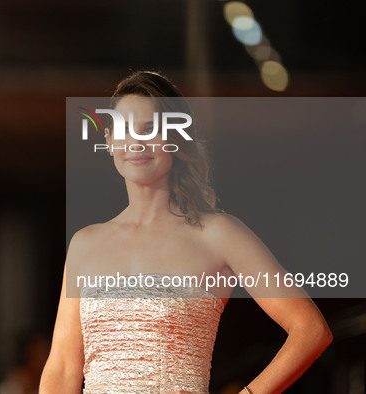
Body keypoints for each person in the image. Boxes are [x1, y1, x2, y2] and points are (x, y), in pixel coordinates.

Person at [39, 71, 332, 394]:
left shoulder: (218, 234)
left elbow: (311, 330)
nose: (136, 142)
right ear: (108, 141)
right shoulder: (84, 244)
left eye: (150, 129)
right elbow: (63, 368)